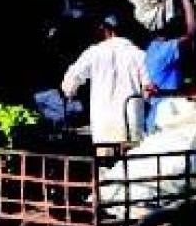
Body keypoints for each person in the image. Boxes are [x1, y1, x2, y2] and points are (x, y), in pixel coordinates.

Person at [61, 14, 151, 145]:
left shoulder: (93, 53)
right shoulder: (139, 55)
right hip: (131, 125)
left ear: (106, 30)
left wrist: (70, 93)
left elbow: (69, 83)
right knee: (130, 163)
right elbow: (148, 90)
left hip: (103, 127)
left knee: (104, 164)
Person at [144, 0, 196, 132]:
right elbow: (191, 32)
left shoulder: (151, 48)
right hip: (167, 117)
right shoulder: (166, 49)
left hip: (155, 116)